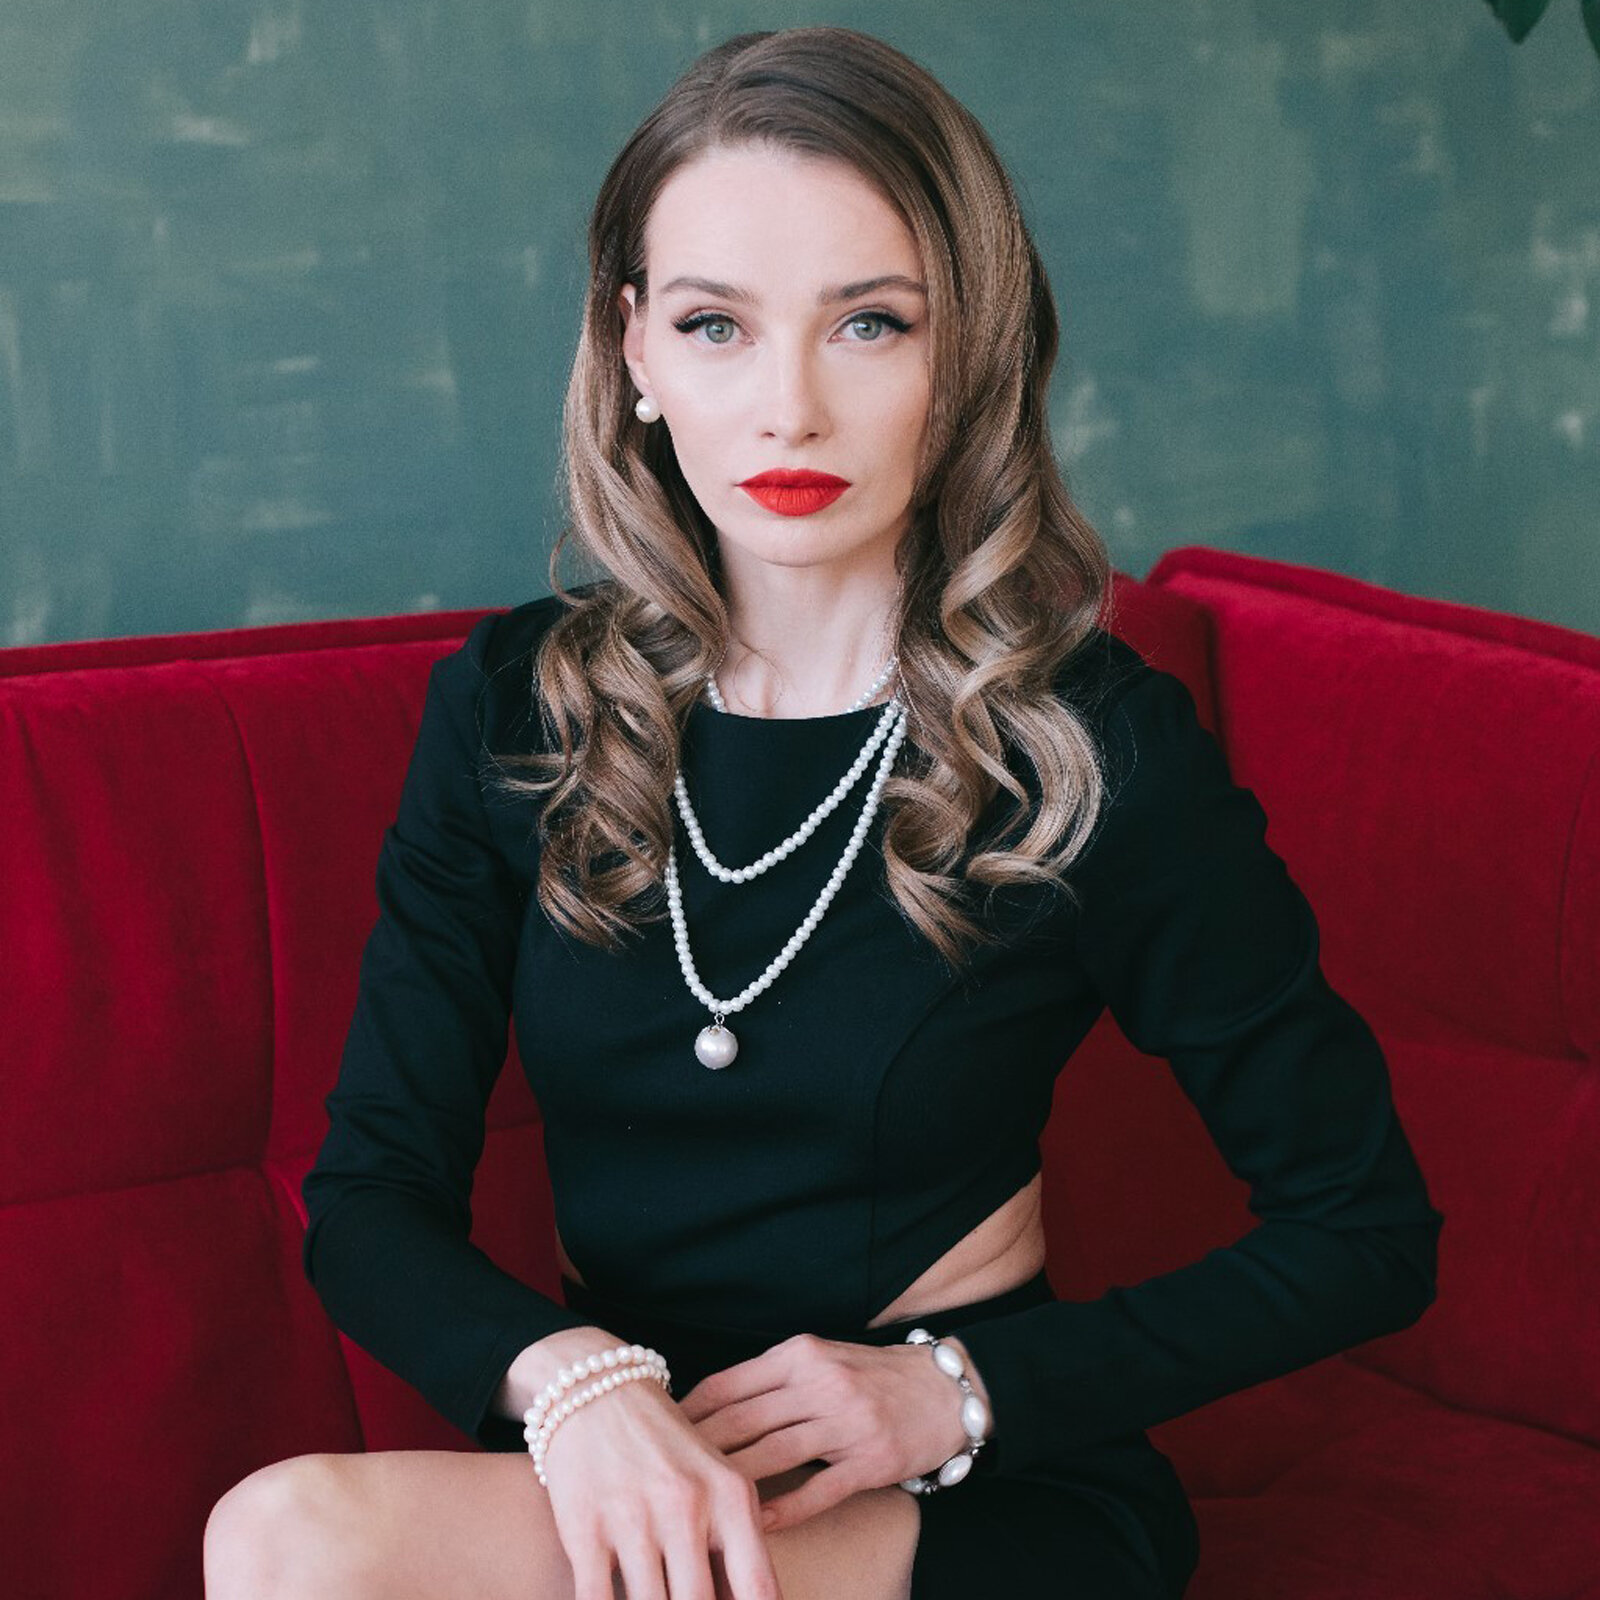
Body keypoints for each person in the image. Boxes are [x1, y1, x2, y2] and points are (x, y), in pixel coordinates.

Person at [202, 25, 1444, 1600]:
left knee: (300, 1549)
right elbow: (370, 1200)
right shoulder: (520, 708)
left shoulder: (1086, 746)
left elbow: (1364, 1228)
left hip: (967, 1499)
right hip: (630, 1461)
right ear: (635, 350)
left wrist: (956, 1397)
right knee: (290, 1537)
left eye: (868, 323)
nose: (787, 407)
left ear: (966, 350)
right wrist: (573, 1384)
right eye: (716, 325)